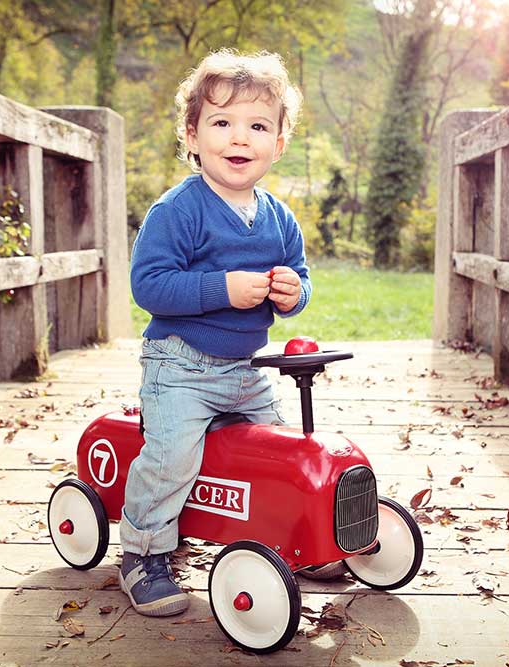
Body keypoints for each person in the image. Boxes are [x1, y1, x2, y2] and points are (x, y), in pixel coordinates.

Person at [120, 49, 312, 617]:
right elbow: (150, 286)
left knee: (278, 451)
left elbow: (300, 275)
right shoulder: (178, 210)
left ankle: (290, 539)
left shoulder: (278, 217)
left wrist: (292, 294)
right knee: (173, 454)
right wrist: (222, 289)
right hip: (180, 366)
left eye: (257, 126)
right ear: (193, 136)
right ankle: (144, 553)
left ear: (278, 143)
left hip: (247, 372)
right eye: (221, 122)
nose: (239, 138)